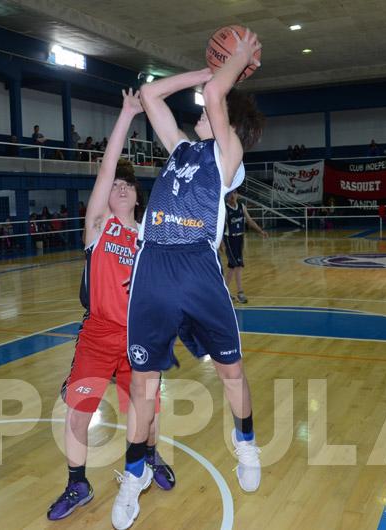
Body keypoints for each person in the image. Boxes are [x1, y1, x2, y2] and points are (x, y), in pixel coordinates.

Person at [111, 28, 264, 530]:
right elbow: (152, 94)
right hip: (154, 262)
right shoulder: (179, 148)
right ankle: (133, 474)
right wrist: (208, 68)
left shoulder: (228, 160)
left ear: (231, 127)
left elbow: (217, 97)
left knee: (231, 371)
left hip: (197, 266)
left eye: (208, 109)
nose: (199, 110)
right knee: (142, 382)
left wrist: (232, 64)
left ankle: (245, 443)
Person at [47, 89, 175, 522]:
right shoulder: (99, 229)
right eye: (113, 186)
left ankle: (149, 458)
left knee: (147, 418)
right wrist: (125, 113)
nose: (118, 187)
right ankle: (77, 483)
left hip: (141, 340)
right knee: (77, 416)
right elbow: (107, 166)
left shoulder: (150, 237)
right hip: (99, 335)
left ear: (138, 197)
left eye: (126, 186)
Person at [222, 190, 268, 303]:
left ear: (237, 195)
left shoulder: (242, 207)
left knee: (233, 267)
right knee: (237, 265)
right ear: (227, 197)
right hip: (229, 239)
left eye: (234, 193)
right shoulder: (225, 209)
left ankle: (224, 293)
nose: (232, 196)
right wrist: (221, 243)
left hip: (240, 239)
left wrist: (260, 231)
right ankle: (240, 292)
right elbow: (220, 226)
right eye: (230, 194)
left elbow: (250, 221)